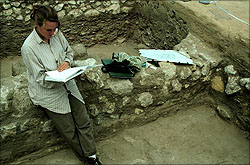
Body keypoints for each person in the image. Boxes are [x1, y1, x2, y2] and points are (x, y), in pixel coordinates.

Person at [21, 5, 102, 165]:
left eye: (55, 29)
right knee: (69, 130)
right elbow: (40, 78)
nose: (52, 34)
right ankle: (85, 159)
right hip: (49, 93)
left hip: (68, 85)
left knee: (83, 121)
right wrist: (58, 78)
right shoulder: (29, 48)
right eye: (48, 30)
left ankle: (92, 157)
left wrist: (66, 62)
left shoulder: (57, 34)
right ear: (37, 25)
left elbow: (68, 52)